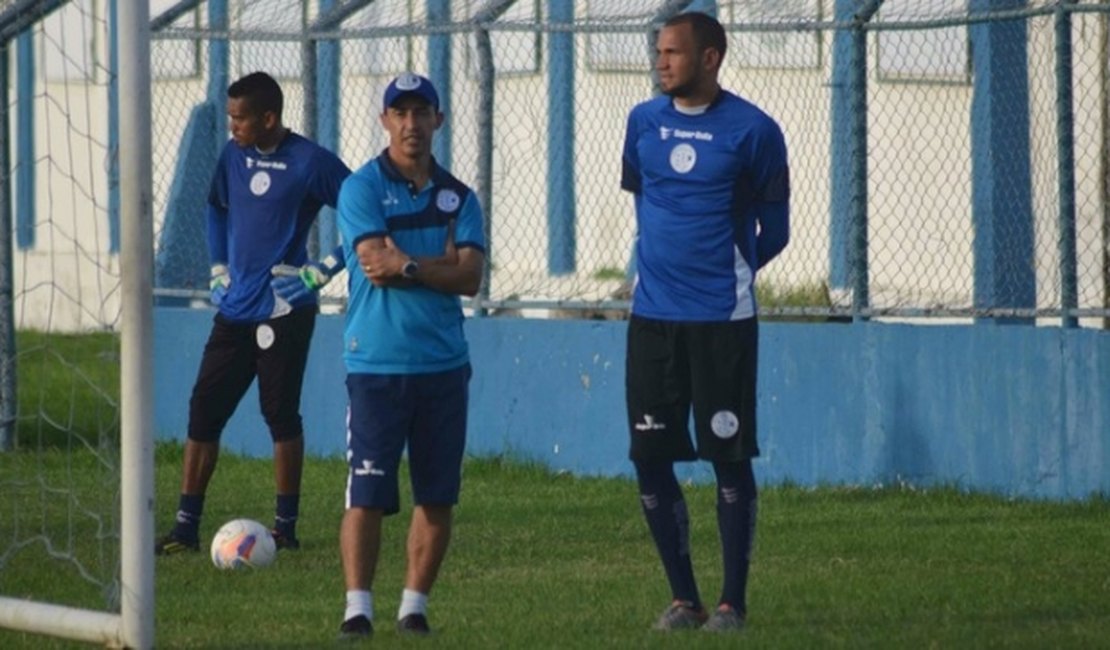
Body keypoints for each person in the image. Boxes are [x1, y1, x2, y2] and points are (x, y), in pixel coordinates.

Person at [620, 12, 790, 633]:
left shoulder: (755, 131)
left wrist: (728, 270)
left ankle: (731, 603)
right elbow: (646, 202)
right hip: (652, 320)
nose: (661, 62)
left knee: (728, 453)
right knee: (650, 455)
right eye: (658, 52)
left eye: (673, 53)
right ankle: (684, 598)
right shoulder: (641, 122)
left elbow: (777, 229)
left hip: (722, 320)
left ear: (711, 57)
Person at [155, 71, 352, 555]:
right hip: (235, 307)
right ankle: (185, 527)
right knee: (204, 409)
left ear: (269, 117)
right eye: (229, 117)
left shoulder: (311, 162)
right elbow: (215, 207)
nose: (233, 127)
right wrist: (218, 268)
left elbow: (364, 213)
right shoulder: (232, 156)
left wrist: (320, 272)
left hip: (285, 308)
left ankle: (285, 528)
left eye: (240, 119)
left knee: (279, 414)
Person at [334, 72, 485, 639]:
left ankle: (414, 607)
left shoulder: (459, 196)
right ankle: (358, 609)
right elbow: (376, 263)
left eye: (422, 113)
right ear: (384, 121)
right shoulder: (361, 188)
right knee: (367, 491)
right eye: (400, 113)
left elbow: (471, 277)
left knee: (437, 493)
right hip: (375, 364)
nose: (411, 124)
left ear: (438, 121)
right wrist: (435, 266)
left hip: (443, 365)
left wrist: (414, 265)